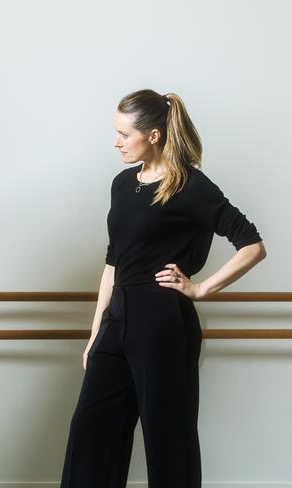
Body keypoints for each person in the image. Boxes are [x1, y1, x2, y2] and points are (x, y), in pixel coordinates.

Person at [61, 90, 266, 487]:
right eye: (116, 132)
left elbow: (252, 244)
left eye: (124, 133)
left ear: (153, 135)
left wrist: (201, 289)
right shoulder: (122, 184)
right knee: (91, 433)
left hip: (163, 324)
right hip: (117, 320)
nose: (116, 141)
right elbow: (112, 264)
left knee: (168, 439)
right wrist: (94, 335)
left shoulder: (189, 185)